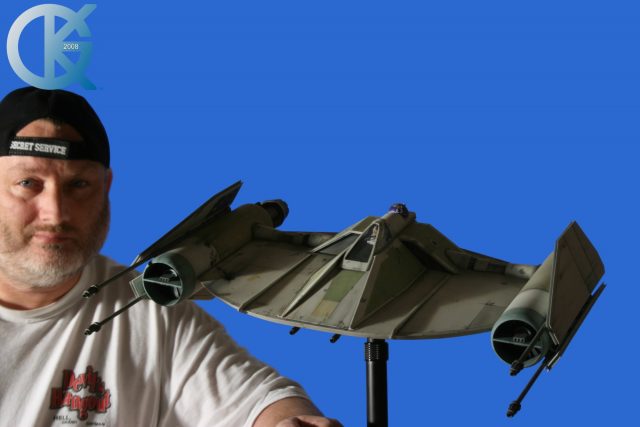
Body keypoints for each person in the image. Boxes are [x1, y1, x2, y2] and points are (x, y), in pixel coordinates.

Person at [0, 87, 342, 427]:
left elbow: (260, 400)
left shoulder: (153, 313)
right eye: (28, 182)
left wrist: (287, 421)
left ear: (106, 186)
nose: (55, 213)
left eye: (78, 185)